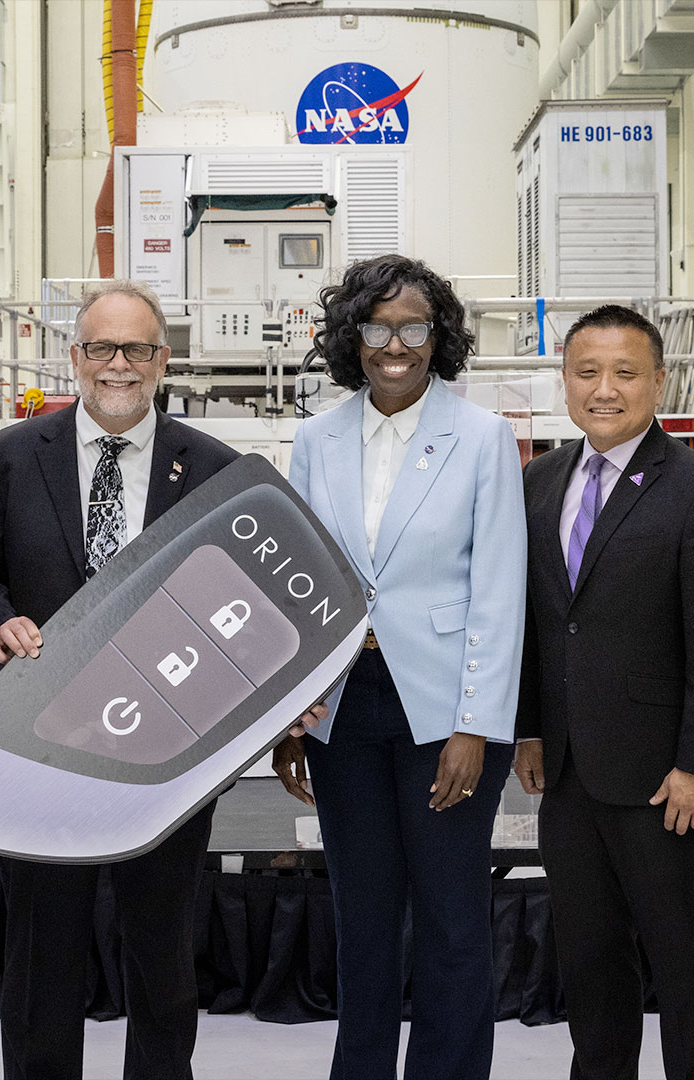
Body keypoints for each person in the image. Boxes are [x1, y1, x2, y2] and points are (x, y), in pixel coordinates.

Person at [0, 279, 255, 1080]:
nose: (120, 366)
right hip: (40, 748)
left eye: (139, 349)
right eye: (102, 348)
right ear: (75, 357)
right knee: (42, 956)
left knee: (162, 957)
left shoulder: (215, 469)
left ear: (164, 360)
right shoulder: (13, 456)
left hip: (167, 758)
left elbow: (235, 608)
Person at [271, 253, 527, 1080]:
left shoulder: (483, 438)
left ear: (438, 336)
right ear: (353, 336)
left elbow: (497, 590)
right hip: (342, 707)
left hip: (444, 709)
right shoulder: (316, 439)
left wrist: (477, 726)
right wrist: (288, 715)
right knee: (363, 919)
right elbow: (297, 586)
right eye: (378, 327)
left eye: (414, 327)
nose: (395, 344)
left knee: (453, 921)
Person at [514, 304, 694, 1080]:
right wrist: (527, 729)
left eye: (625, 373)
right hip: (568, 773)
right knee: (590, 960)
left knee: (683, 961)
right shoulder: (538, 482)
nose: (605, 389)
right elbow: (537, 621)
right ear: (565, 383)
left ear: (659, 381)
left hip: (665, 777)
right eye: (587, 372)